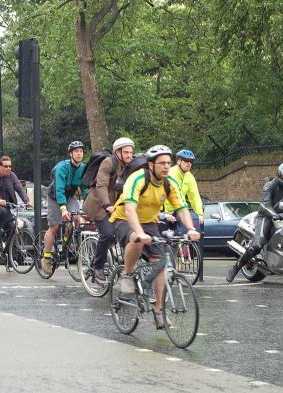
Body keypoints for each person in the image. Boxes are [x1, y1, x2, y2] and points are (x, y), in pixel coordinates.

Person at [109, 145, 200, 329]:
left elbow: (182, 208)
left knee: (160, 263)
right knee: (135, 239)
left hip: (149, 222)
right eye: (162, 163)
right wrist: (140, 234)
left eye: (169, 163)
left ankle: (159, 311)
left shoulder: (169, 183)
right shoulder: (138, 179)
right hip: (123, 218)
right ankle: (127, 275)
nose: (166, 167)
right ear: (151, 165)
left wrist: (190, 228)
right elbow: (130, 209)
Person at [226, 161, 283, 282]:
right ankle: (236, 267)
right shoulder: (270, 185)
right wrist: (275, 215)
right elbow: (265, 205)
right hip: (266, 217)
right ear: (279, 175)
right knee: (257, 245)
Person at [83, 137, 135, 282]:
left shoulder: (130, 166)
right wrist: (107, 205)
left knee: (129, 232)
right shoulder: (108, 163)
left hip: (117, 205)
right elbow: (101, 186)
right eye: (126, 152)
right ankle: (97, 266)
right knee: (107, 233)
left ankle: (123, 264)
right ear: (117, 152)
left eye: (131, 152)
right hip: (99, 204)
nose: (129, 155)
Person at [41, 141, 88, 274]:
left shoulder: (83, 168)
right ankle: (46, 258)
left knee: (76, 219)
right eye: (76, 151)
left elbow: (85, 188)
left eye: (81, 151)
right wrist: (62, 209)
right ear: (71, 154)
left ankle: (67, 242)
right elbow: (60, 188)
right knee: (54, 226)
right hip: (56, 196)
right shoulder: (63, 166)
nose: (79, 153)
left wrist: (89, 200)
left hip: (70, 196)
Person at [0, 156, 33, 245]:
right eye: (5, 166)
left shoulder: (12, 175)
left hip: (8, 206)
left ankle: (12, 253)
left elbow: (19, 188)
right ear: (0, 166)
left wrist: (27, 201)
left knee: (12, 227)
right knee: (2, 212)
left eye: (10, 166)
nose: (8, 168)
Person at [162, 149, 204, 236]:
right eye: (186, 160)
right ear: (178, 161)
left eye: (191, 161)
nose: (189, 163)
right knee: (162, 236)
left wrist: (200, 213)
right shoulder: (170, 173)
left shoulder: (190, 177)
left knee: (186, 234)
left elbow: (195, 197)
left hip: (179, 210)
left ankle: (184, 248)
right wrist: (165, 213)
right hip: (164, 210)